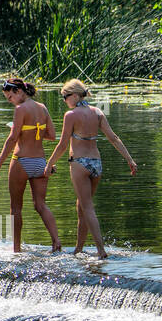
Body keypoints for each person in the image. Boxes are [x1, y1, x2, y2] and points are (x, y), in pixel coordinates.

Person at [45, 79, 137, 258]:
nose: (64, 100)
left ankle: (101, 251)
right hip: (96, 164)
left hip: (79, 163)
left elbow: (63, 144)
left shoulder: (71, 115)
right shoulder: (97, 112)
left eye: (65, 96)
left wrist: (49, 164)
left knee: (87, 207)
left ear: (75, 95)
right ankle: (78, 249)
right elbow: (114, 138)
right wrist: (130, 160)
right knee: (81, 206)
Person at [0, 77, 62, 253]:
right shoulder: (42, 108)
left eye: (10, 97)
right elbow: (52, 135)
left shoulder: (20, 109)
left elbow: (13, 139)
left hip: (21, 161)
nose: (10, 101)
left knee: (16, 207)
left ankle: (16, 249)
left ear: (19, 92)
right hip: (40, 162)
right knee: (41, 205)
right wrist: (29, 131)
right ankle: (56, 242)